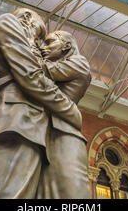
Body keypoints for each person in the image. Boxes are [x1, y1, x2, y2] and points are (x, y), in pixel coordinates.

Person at [0, 8, 82, 199]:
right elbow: (31, 76)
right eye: (39, 33)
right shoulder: (7, 23)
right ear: (28, 18)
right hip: (17, 129)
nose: (40, 43)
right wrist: (70, 110)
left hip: (0, 131)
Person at [36, 30, 92, 199]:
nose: (42, 48)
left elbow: (42, 69)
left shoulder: (79, 62)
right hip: (48, 131)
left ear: (67, 46)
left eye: (49, 43)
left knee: (69, 192)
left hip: (64, 132)